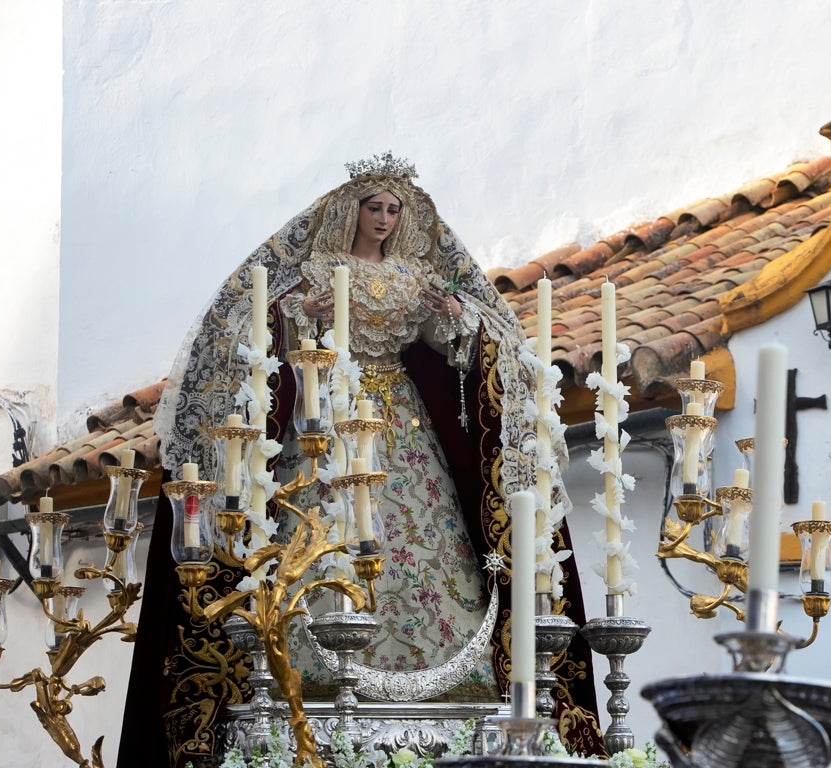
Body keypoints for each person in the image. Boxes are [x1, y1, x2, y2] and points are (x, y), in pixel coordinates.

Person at [121, 154, 604, 766]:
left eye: (393, 210)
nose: (383, 218)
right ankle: (305, 677)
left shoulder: (413, 279)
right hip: (329, 420)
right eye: (373, 207)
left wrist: (461, 322)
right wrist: (302, 323)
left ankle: (444, 683)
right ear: (351, 212)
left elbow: (457, 343)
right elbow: (264, 330)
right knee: (322, 536)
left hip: (400, 422)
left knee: (425, 540)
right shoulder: (317, 274)